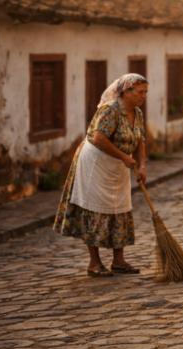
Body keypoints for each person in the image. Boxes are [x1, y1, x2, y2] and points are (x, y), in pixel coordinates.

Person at [54, 74, 149, 277]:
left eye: (146, 92)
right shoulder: (110, 109)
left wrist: (141, 166)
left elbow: (140, 139)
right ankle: (94, 263)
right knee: (95, 209)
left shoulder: (137, 113)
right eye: (140, 92)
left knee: (120, 208)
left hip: (118, 165)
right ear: (126, 91)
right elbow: (99, 138)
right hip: (96, 163)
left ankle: (119, 261)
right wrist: (124, 156)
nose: (144, 96)